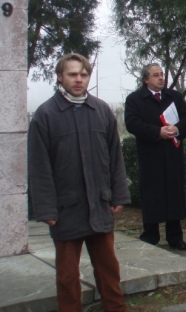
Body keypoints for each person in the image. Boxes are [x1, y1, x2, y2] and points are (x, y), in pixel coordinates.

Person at [28, 54, 130, 312]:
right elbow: (39, 168)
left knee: (109, 270)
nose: (78, 79)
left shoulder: (101, 110)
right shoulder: (45, 115)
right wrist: (46, 209)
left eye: (83, 74)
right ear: (60, 77)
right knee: (67, 276)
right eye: (72, 74)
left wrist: (118, 194)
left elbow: (114, 156)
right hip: (66, 210)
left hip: (99, 206)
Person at [124, 63, 186, 250]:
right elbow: (132, 123)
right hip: (150, 155)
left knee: (174, 194)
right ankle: (150, 234)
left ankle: (175, 236)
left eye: (162, 74)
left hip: (172, 154)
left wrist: (177, 128)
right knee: (152, 194)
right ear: (146, 79)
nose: (161, 78)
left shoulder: (174, 97)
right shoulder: (135, 99)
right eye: (156, 75)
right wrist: (157, 132)